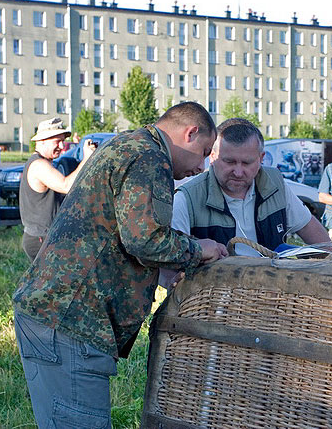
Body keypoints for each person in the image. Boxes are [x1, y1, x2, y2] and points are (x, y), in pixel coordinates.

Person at [12, 102, 228, 428]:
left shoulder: (127, 144)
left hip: (56, 314)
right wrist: (200, 248)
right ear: (190, 132)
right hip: (72, 321)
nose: (201, 166)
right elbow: (144, 240)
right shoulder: (150, 157)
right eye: (204, 152)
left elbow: (124, 231)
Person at [172, 118, 332, 257]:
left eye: (247, 163)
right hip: (213, 290)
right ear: (213, 157)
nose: (238, 172)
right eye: (229, 162)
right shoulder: (187, 198)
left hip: (272, 287)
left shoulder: (276, 184)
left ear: (261, 158)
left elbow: (308, 226)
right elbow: (172, 266)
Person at [19, 117, 96, 261]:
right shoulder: (39, 166)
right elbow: (66, 186)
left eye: (63, 141)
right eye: (57, 141)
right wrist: (87, 159)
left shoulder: (43, 163)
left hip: (45, 237)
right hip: (41, 239)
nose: (62, 146)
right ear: (41, 141)